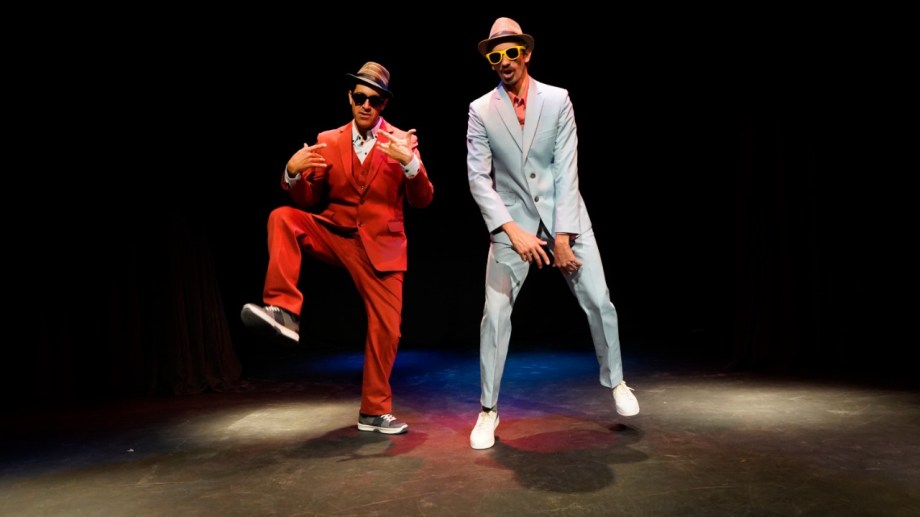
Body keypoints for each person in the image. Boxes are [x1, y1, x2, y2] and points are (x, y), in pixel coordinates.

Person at [466, 18, 639, 450]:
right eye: (496, 55)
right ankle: (488, 410)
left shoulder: (558, 99)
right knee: (495, 316)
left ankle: (616, 380)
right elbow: (479, 179)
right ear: (491, 62)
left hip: (566, 216)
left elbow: (566, 167)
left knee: (599, 300)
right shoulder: (481, 110)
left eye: (511, 52)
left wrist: (563, 237)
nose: (504, 61)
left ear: (526, 53)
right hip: (511, 224)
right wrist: (511, 231)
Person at [241, 61, 434, 435]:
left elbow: (423, 199)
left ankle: (374, 411)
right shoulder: (328, 140)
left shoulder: (401, 141)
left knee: (387, 330)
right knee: (283, 217)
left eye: (374, 100)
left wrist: (410, 164)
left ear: (384, 104)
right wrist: (292, 173)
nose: (366, 105)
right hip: (336, 234)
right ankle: (284, 310)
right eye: (360, 97)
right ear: (350, 98)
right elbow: (308, 198)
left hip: (382, 247)